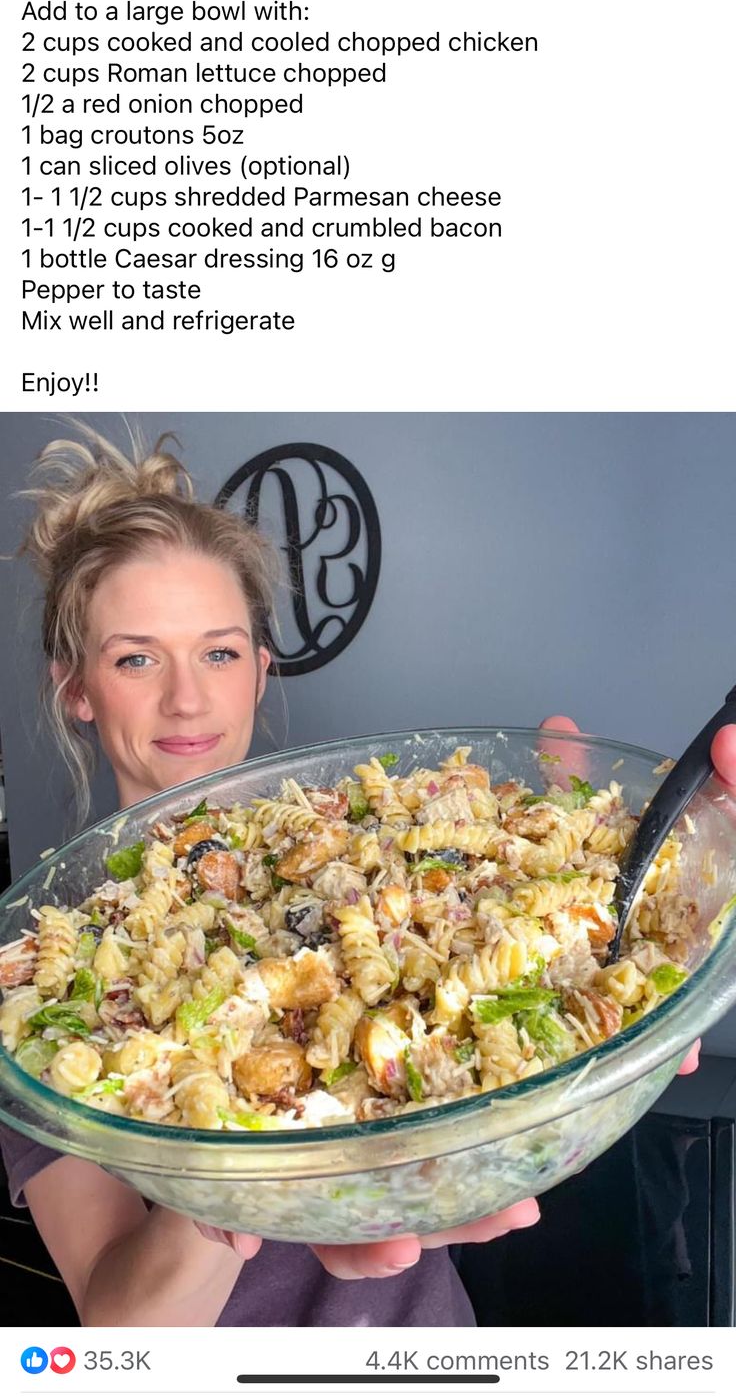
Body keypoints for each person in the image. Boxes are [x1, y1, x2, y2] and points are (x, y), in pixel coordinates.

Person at [0, 428, 721, 1326]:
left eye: (219, 652)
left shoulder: (374, 839)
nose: (186, 698)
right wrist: (248, 1184)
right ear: (77, 688)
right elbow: (126, 1332)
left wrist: (610, 897)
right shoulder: (41, 983)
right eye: (135, 657)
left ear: (262, 671)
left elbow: (517, 1022)